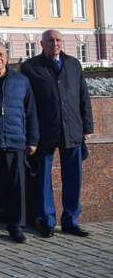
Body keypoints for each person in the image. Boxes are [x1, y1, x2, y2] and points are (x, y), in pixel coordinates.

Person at [20, 29, 93, 238]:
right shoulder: (31, 67)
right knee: (43, 178)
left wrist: (87, 126)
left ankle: (71, 220)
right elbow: (28, 103)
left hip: (72, 128)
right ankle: (46, 221)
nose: (55, 43)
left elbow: (83, 96)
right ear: (42, 44)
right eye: (50, 40)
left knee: (73, 177)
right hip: (45, 130)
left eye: (58, 40)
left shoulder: (73, 64)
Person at [0, 41, 39, 243]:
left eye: (1, 54)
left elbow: (31, 112)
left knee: (16, 187)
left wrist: (33, 139)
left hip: (16, 141)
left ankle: (16, 226)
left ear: (7, 56)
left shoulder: (21, 81)